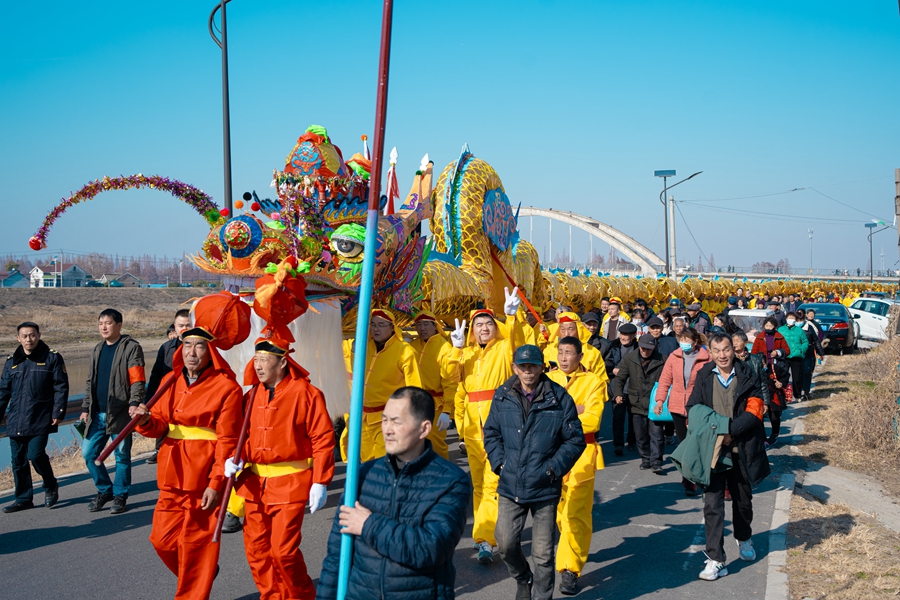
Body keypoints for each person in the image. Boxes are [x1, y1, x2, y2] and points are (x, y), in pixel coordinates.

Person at [132, 295, 245, 600]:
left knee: (195, 547)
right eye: (187, 345)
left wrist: (217, 483)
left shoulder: (227, 388)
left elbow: (228, 442)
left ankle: (195, 588)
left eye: (199, 346)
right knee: (162, 541)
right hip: (171, 475)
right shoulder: (170, 380)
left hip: (202, 480)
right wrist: (144, 420)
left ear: (211, 352)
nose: (192, 352)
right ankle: (203, 572)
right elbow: (159, 426)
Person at [317, 387, 470, 600]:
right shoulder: (362, 476)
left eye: (397, 422)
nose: (387, 429)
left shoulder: (451, 481)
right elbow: (337, 554)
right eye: (384, 420)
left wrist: (368, 525)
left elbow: (431, 549)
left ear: (424, 429)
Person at [225, 325, 335, 600]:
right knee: (257, 551)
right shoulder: (251, 396)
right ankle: (272, 596)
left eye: (264, 359)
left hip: (290, 484)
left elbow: (323, 439)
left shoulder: (307, 393)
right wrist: (233, 459)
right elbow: (239, 436)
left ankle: (301, 596)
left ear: (283, 361)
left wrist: (320, 481)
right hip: (254, 485)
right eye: (256, 359)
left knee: (283, 551)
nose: (258, 365)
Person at [483, 345, 585, 600]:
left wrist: (552, 469)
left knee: (542, 554)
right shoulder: (502, 395)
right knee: (505, 544)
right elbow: (491, 432)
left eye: (533, 366)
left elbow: (574, 440)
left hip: (544, 486)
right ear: (514, 368)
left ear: (542, 367)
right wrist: (500, 464)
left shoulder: (560, 397)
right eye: (522, 366)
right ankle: (522, 578)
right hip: (510, 483)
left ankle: (542, 596)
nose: (528, 372)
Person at [686, 333, 769, 581]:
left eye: (726, 350)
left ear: (733, 350)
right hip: (712, 451)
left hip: (742, 450)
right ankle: (716, 559)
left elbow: (755, 410)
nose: (722, 355)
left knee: (743, 501)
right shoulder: (703, 376)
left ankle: (744, 538)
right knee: (712, 505)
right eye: (717, 351)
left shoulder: (747, 375)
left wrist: (731, 432)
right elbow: (694, 408)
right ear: (710, 352)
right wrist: (719, 430)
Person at [448, 287, 523, 563]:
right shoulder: (465, 353)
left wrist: (512, 317)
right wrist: (455, 350)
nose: (483, 328)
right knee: (479, 484)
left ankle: (489, 538)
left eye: (488, 324)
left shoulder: (504, 348)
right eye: (478, 324)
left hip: (498, 422)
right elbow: (449, 375)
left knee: (493, 482)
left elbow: (517, 345)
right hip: (471, 426)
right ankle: (486, 538)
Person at [547, 337, 606, 596]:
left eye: (568, 353)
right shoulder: (548, 380)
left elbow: (592, 420)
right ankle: (570, 552)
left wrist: (558, 417)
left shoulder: (593, 382)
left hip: (583, 454)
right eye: (560, 352)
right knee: (558, 513)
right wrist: (573, 412)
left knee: (575, 513)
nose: (562, 357)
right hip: (551, 454)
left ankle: (570, 569)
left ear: (580, 356)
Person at [79, 308, 145, 515]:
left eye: (108, 323)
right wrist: (84, 408)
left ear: (119, 325)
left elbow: (137, 379)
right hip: (97, 413)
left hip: (121, 413)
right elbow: (91, 381)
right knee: (89, 453)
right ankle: (104, 490)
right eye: (100, 323)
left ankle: (120, 496)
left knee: (122, 455)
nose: (103, 327)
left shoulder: (131, 348)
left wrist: (135, 402)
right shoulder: (97, 349)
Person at [0, 322, 68, 513]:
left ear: (38, 335)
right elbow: (3, 391)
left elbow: (60, 387)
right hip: (16, 419)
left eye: (32, 335)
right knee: (18, 461)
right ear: (18, 338)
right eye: (24, 336)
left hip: (40, 417)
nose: (28, 339)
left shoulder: (52, 358)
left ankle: (50, 484)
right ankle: (23, 499)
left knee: (35, 455)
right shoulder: (11, 361)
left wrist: (58, 412)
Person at [343, 309, 421, 462]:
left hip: (388, 417)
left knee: (384, 461)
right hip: (363, 417)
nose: (376, 329)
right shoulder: (363, 346)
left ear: (392, 327)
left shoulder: (405, 351)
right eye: (373, 325)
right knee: (366, 461)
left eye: (381, 325)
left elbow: (414, 387)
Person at [653, 327, 710, 495]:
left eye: (687, 341)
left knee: (697, 444)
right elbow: (664, 380)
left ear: (696, 342)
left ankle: (699, 475)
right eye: (681, 340)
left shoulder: (706, 359)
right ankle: (688, 480)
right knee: (684, 444)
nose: (684, 344)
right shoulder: (674, 356)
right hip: (677, 406)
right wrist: (659, 401)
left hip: (698, 407)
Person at [613, 335, 666, 473]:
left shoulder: (663, 360)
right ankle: (645, 459)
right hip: (635, 402)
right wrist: (618, 394)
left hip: (655, 402)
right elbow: (620, 378)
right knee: (640, 434)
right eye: (642, 348)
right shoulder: (630, 359)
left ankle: (656, 462)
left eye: (648, 349)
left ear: (654, 347)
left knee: (656, 434)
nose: (645, 351)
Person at [146, 309, 192, 465]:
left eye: (188, 325)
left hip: (191, 396)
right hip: (168, 395)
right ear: (175, 327)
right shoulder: (166, 348)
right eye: (181, 325)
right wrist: (149, 400)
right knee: (163, 422)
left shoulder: (201, 347)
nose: (184, 328)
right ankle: (160, 450)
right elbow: (155, 375)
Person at [409, 311, 458, 459]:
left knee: (435, 444)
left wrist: (447, 410)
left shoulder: (444, 347)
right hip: (414, 403)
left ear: (435, 326)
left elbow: (450, 381)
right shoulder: (412, 345)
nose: (422, 328)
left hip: (436, 404)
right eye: (418, 324)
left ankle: (442, 478)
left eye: (425, 324)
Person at [752, 317, 791, 445]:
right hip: (762, 366)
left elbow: (787, 350)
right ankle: (762, 436)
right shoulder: (759, 337)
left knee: (775, 411)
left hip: (776, 367)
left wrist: (778, 353)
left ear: (774, 326)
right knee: (761, 411)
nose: (768, 327)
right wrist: (759, 360)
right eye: (766, 325)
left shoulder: (779, 337)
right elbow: (754, 352)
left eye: (770, 325)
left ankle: (774, 433)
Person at [606, 323, 639, 455]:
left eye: (627, 335)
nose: (623, 337)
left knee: (634, 418)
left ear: (633, 336)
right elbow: (606, 362)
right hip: (617, 387)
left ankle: (632, 441)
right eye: (622, 334)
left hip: (633, 388)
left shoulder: (638, 347)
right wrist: (612, 369)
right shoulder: (613, 345)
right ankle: (618, 445)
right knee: (618, 418)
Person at [778, 311, 808, 402]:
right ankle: (784, 395)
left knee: (797, 377)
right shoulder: (781, 330)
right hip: (784, 357)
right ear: (786, 319)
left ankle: (797, 395)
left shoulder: (799, 330)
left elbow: (805, 342)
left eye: (793, 318)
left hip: (796, 356)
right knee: (784, 376)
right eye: (789, 318)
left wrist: (802, 350)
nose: (791, 320)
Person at [797, 310, 823, 402]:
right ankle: (797, 393)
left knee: (807, 373)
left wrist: (820, 352)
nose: (799, 322)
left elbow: (816, 340)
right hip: (796, 355)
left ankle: (806, 392)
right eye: (797, 320)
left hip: (808, 353)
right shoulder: (791, 329)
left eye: (801, 320)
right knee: (797, 374)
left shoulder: (809, 327)